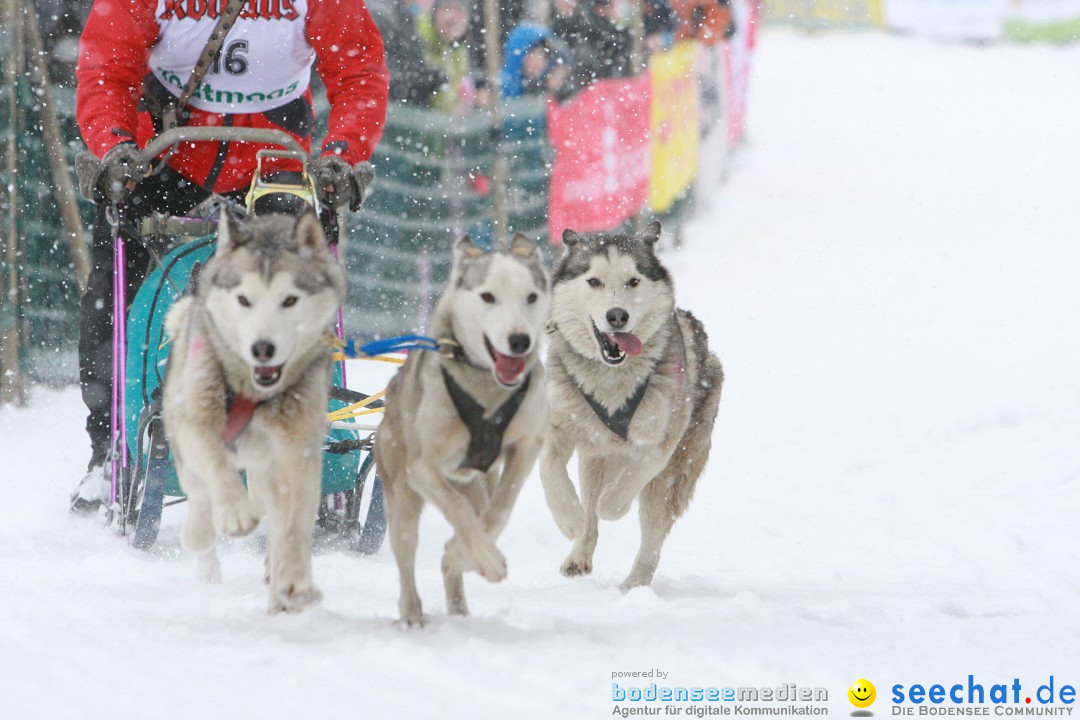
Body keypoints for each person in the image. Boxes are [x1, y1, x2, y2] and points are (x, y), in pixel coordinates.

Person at [69, 0, 390, 513]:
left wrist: (341, 156)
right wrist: (115, 147)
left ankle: (303, 433)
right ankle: (109, 450)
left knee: (294, 290)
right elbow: (108, 67)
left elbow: (358, 71)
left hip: (273, 157)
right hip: (161, 155)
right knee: (115, 290)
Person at [501, 23, 573, 101]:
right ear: (519, 54)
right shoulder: (499, 89)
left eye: (545, 55)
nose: (540, 61)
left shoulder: (546, 90)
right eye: (535, 53)